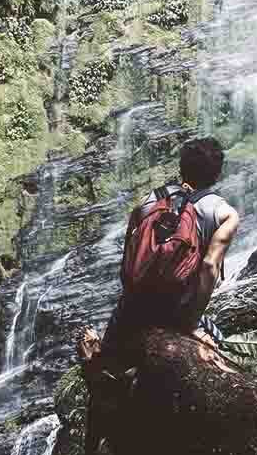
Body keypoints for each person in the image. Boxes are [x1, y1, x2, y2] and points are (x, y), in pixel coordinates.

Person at [100, 137, 240, 355]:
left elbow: (129, 252)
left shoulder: (152, 199)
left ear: (182, 168)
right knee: (225, 351)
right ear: (217, 173)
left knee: (105, 360)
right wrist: (191, 322)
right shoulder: (224, 213)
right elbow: (209, 267)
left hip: (134, 303)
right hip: (176, 310)